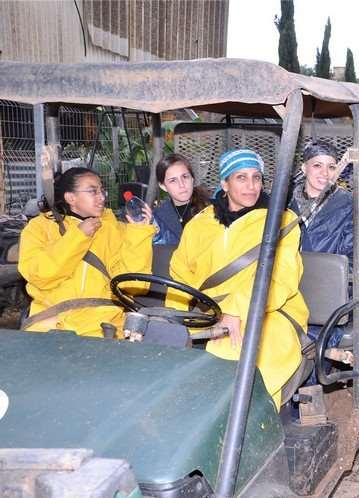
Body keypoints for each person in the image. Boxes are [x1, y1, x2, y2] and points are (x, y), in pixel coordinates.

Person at [168, 147, 308, 407]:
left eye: (256, 177)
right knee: (165, 357)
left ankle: (250, 421)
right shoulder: (199, 224)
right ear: (224, 184)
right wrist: (175, 319)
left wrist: (236, 310)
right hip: (208, 312)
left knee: (239, 358)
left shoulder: (281, 221)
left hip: (268, 310)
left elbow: (280, 277)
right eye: (241, 177)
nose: (251, 186)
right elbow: (180, 274)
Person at [18, 167, 155, 338]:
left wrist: (139, 234)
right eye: (92, 191)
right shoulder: (40, 228)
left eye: (102, 191)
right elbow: (39, 275)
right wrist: (78, 236)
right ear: (71, 198)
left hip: (103, 325)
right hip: (50, 321)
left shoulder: (116, 229)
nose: (101, 197)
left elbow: (133, 286)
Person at [289, 140, 359, 282]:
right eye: (317, 165)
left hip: (328, 285)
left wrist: (332, 284)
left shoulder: (347, 206)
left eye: (331, 167)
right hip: (286, 283)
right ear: (304, 168)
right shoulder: (285, 202)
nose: (325, 173)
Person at [152, 154, 211, 245]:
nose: (181, 184)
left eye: (185, 177)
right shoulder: (158, 215)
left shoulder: (211, 209)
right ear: (163, 186)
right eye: (173, 180)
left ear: (192, 178)